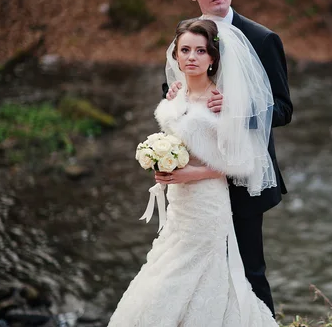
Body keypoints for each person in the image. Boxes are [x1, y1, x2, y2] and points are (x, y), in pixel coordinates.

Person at [108, 19, 279, 326]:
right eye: (185, 49)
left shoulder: (222, 103)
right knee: (168, 262)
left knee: (190, 269)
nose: (191, 57)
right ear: (175, 55)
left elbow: (243, 164)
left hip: (208, 203)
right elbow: (178, 144)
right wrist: (162, 163)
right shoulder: (175, 96)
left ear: (212, 58)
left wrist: (192, 174)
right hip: (179, 202)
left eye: (200, 51)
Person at [161, 0, 292, 314]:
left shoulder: (263, 40)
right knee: (200, 271)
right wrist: (173, 96)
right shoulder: (186, 36)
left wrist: (236, 110)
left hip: (244, 178)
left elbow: (283, 110)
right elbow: (176, 88)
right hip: (196, 184)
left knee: (249, 271)